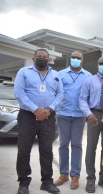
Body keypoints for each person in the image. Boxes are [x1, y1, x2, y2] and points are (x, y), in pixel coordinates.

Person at [14, 48, 63, 194]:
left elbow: (60, 94)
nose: (42, 59)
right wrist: (35, 109)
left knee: (47, 150)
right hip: (27, 116)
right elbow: (19, 93)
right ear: (34, 59)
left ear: (49, 60)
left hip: (48, 116)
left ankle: (47, 182)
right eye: (39, 56)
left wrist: (49, 109)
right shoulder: (23, 72)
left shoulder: (55, 74)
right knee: (24, 149)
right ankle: (23, 183)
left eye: (45, 57)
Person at [79, 56, 103, 193]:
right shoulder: (89, 81)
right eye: (101, 63)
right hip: (94, 114)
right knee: (91, 147)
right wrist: (88, 114)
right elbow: (82, 99)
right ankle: (90, 178)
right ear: (97, 65)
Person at [54, 51, 91, 189]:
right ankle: (63, 174)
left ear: (82, 60)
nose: (76, 59)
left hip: (79, 115)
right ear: (70, 59)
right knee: (63, 144)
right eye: (73, 57)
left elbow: (89, 95)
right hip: (62, 113)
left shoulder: (88, 76)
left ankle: (75, 176)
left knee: (76, 144)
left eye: (78, 58)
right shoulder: (61, 74)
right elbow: (55, 92)